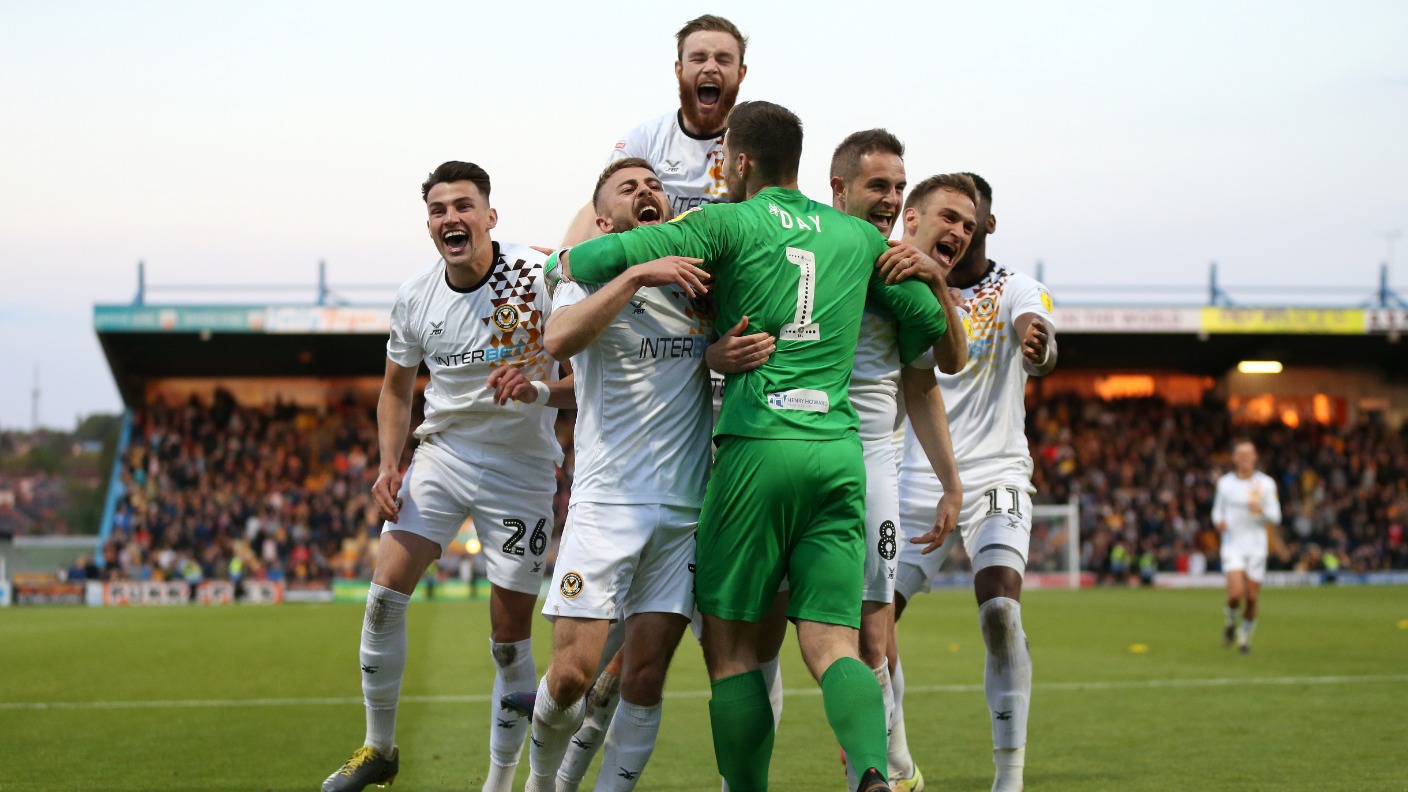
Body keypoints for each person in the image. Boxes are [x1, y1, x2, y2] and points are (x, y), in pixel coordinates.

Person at [561, 100, 949, 792]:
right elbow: (929, 330)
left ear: (739, 161)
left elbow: (594, 259)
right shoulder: (858, 238)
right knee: (835, 644)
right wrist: (919, 282)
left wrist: (583, 259)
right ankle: (872, 771)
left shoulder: (723, 222)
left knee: (734, 653)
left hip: (754, 451)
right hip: (837, 454)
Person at [321, 161, 573, 792]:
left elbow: (589, 379)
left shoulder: (539, 274)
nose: (450, 218)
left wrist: (540, 389)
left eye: (463, 206)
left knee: (509, 638)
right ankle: (379, 748)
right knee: (384, 594)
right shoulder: (415, 296)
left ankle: (499, 783)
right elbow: (394, 390)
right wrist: (389, 464)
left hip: (522, 469)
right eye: (438, 210)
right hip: (444, 454)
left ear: (491, 216)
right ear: (429, 224)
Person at [519, 158, 765, 792]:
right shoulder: (593, 273)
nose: (647, 192)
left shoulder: (696, 283)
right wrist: (634, 273)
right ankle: (540, 783)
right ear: (605, 221)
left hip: (684, 512)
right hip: (608, 505)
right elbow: (558, 341)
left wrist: (715, 355)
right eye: (629, 189)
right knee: (570, 677)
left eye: (653, 185)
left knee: (644, 678)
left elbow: (694, 365)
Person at [891, 173, 1057, 792]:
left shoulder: (1017, 288)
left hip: (995, 475)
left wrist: (1037, 344)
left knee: (1000, 610)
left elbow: (1040, 335)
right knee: (871, 628)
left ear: (988, 225)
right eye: (950, 217)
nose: (959, 229)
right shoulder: (902, 282)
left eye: (971, 219)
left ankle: (1008, 778)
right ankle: (899, 765)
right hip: (912, 479)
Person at [827, 129, 967, 791]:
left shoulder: (902, 276)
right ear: (839, 189)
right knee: (762, 634)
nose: (888, 198)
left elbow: (930, 377)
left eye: (896, 187)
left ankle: (888, 767)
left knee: (873, 632)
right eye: (878, 185)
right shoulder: (809, 251)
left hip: (873, 462)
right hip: (794, 451)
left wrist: (951, 483)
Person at [561, 15, 749, 245]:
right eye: (698, 58)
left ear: (741, 73)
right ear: (679, 69)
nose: (710, 67)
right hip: (658, 263)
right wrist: (563, 259)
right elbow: (602, 208)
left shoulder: (754, 145)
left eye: (723, 59)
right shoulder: (643, 141)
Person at [1212, 437, 1282, 654]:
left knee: (1251, 598)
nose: (1245, 458)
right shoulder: (1225, 483)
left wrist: (1262, 510)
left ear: (1255, 457)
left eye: (1248, 454)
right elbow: (1217, 510)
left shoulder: (1266, 484)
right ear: (1234, 458)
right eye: (1240, 454)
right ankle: (1230, 622)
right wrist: (1218, 522)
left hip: (1256, 546)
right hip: (1232, 544)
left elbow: (1276, 516)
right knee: (1235, 594)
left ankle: (1244, 638)